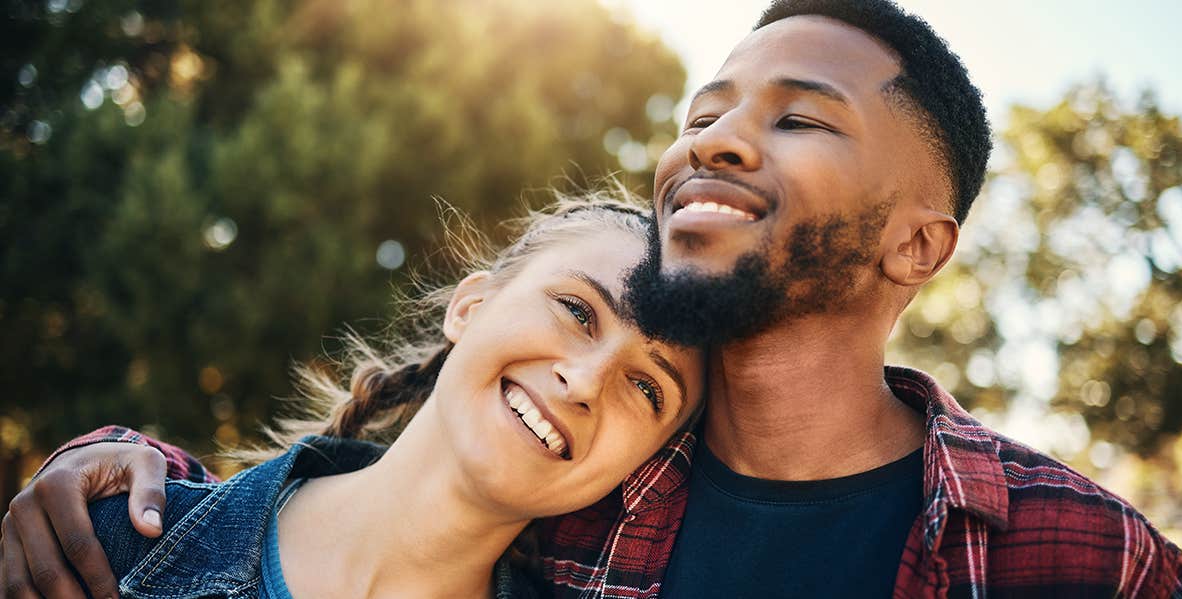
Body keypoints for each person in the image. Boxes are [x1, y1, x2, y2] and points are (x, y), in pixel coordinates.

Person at [5, 0, 1182, 597]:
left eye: (796, 117)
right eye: (704, 114)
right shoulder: (584, 501)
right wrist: (114, 466)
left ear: (916, 244)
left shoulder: (1086, 553)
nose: (718, 142)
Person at [1, 195, 705, 599]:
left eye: (647, 387)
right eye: (578, 310)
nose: (584, 383)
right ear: (471, 306)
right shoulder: (102, 543)